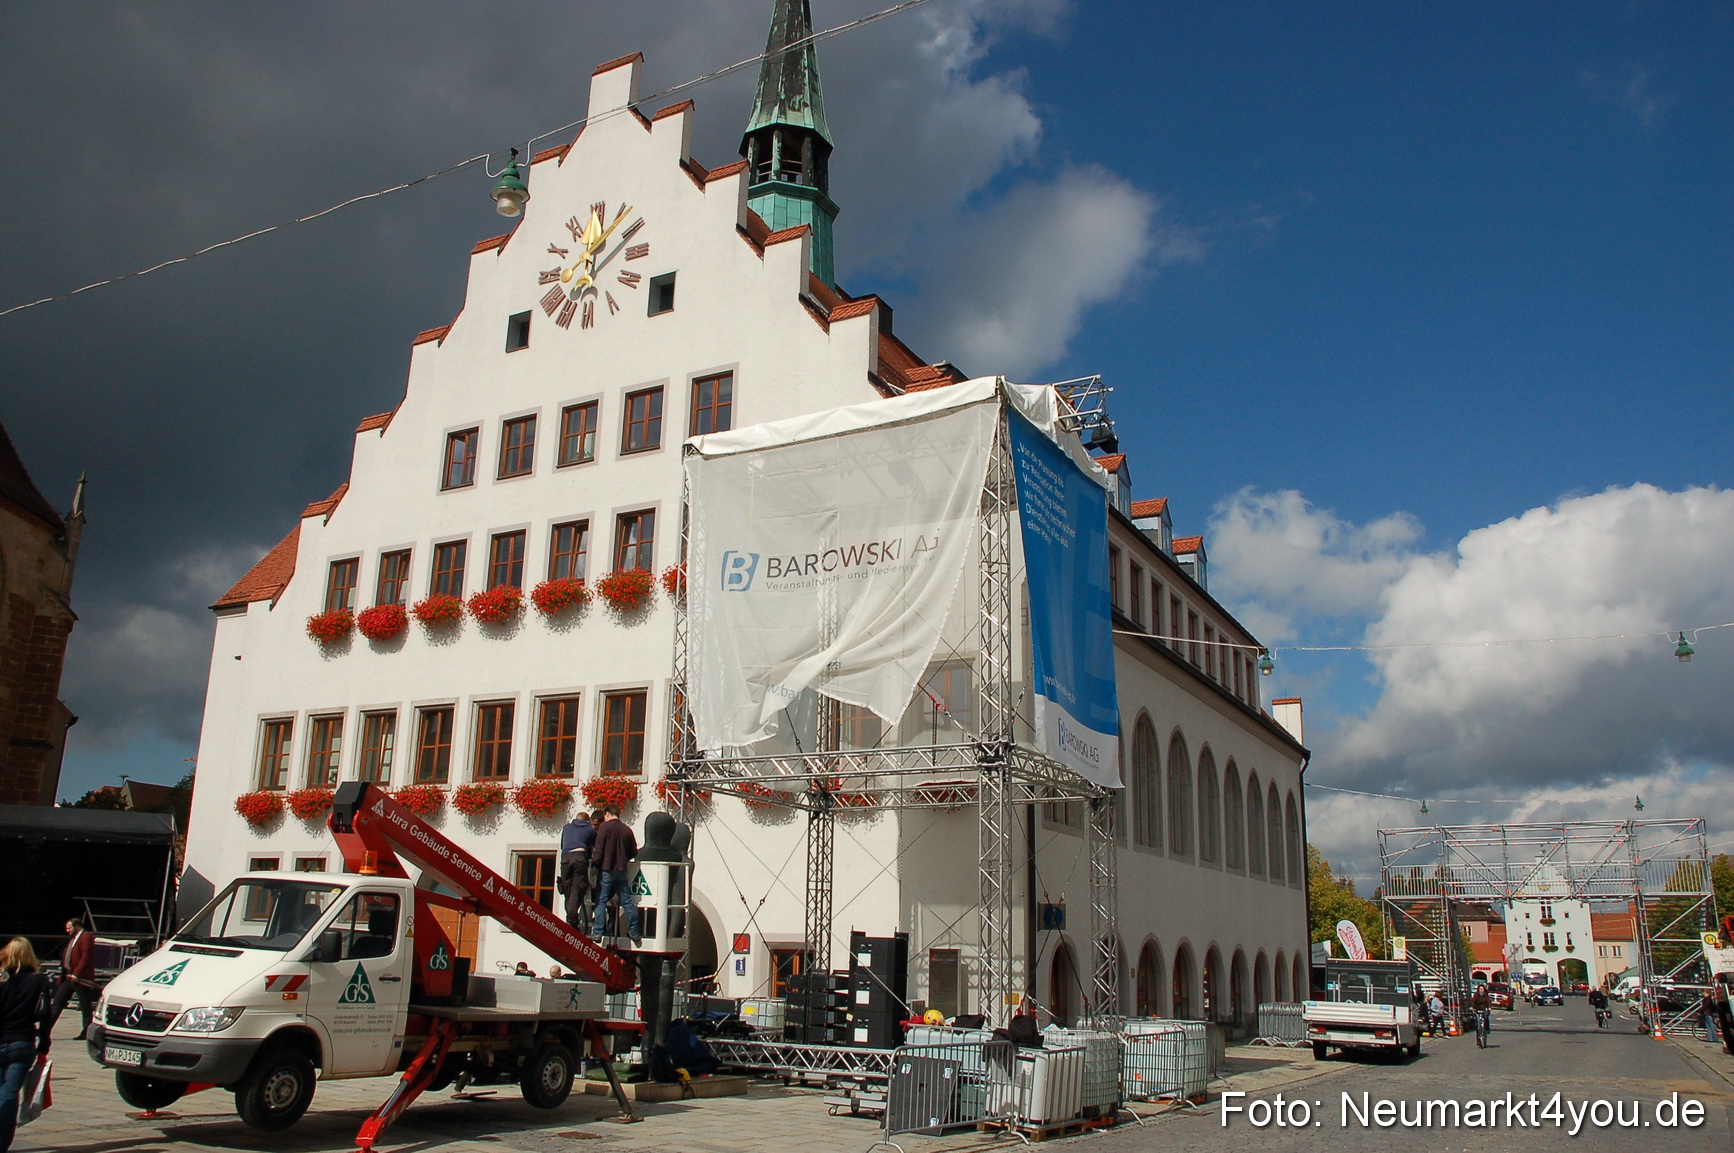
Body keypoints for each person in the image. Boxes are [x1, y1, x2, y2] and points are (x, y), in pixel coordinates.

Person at [0, 938, 55, 1152]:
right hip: (22, 1041)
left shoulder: (1, 980)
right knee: (10, 1092)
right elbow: (45, 1014)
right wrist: (44, 1042)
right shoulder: (39, 980)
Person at [591, 805, 640, 943]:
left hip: (606, 869)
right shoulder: (627, 829)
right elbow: (634, 851)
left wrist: (595, 863)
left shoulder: (604, 827)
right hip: (622, 870)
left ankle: (598, 933)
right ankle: (634, 932)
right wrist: (624, 858)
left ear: (607, 814)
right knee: (627, 903)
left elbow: (599, 850)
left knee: (601, 901)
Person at [54, 918, 97, 1041]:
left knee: (85, 1005)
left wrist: (77, 974)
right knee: (57, 1002)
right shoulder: (73, 938)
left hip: (80, 977)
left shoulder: (86, 937)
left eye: (69, 928)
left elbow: (85, 957)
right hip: (69, 976)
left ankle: (86, 1031)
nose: (67, 931)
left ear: (77, 926)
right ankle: (45, 1028)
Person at [556, 810, 596, 930]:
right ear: (587, 821)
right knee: (577, 889)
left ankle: (571, 920)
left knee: (567, 889)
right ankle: (572, 920)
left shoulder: (566, 827)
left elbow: (562, 845)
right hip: (579, 857)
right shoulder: (590, 829)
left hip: (565, 858)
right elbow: (595, 847)